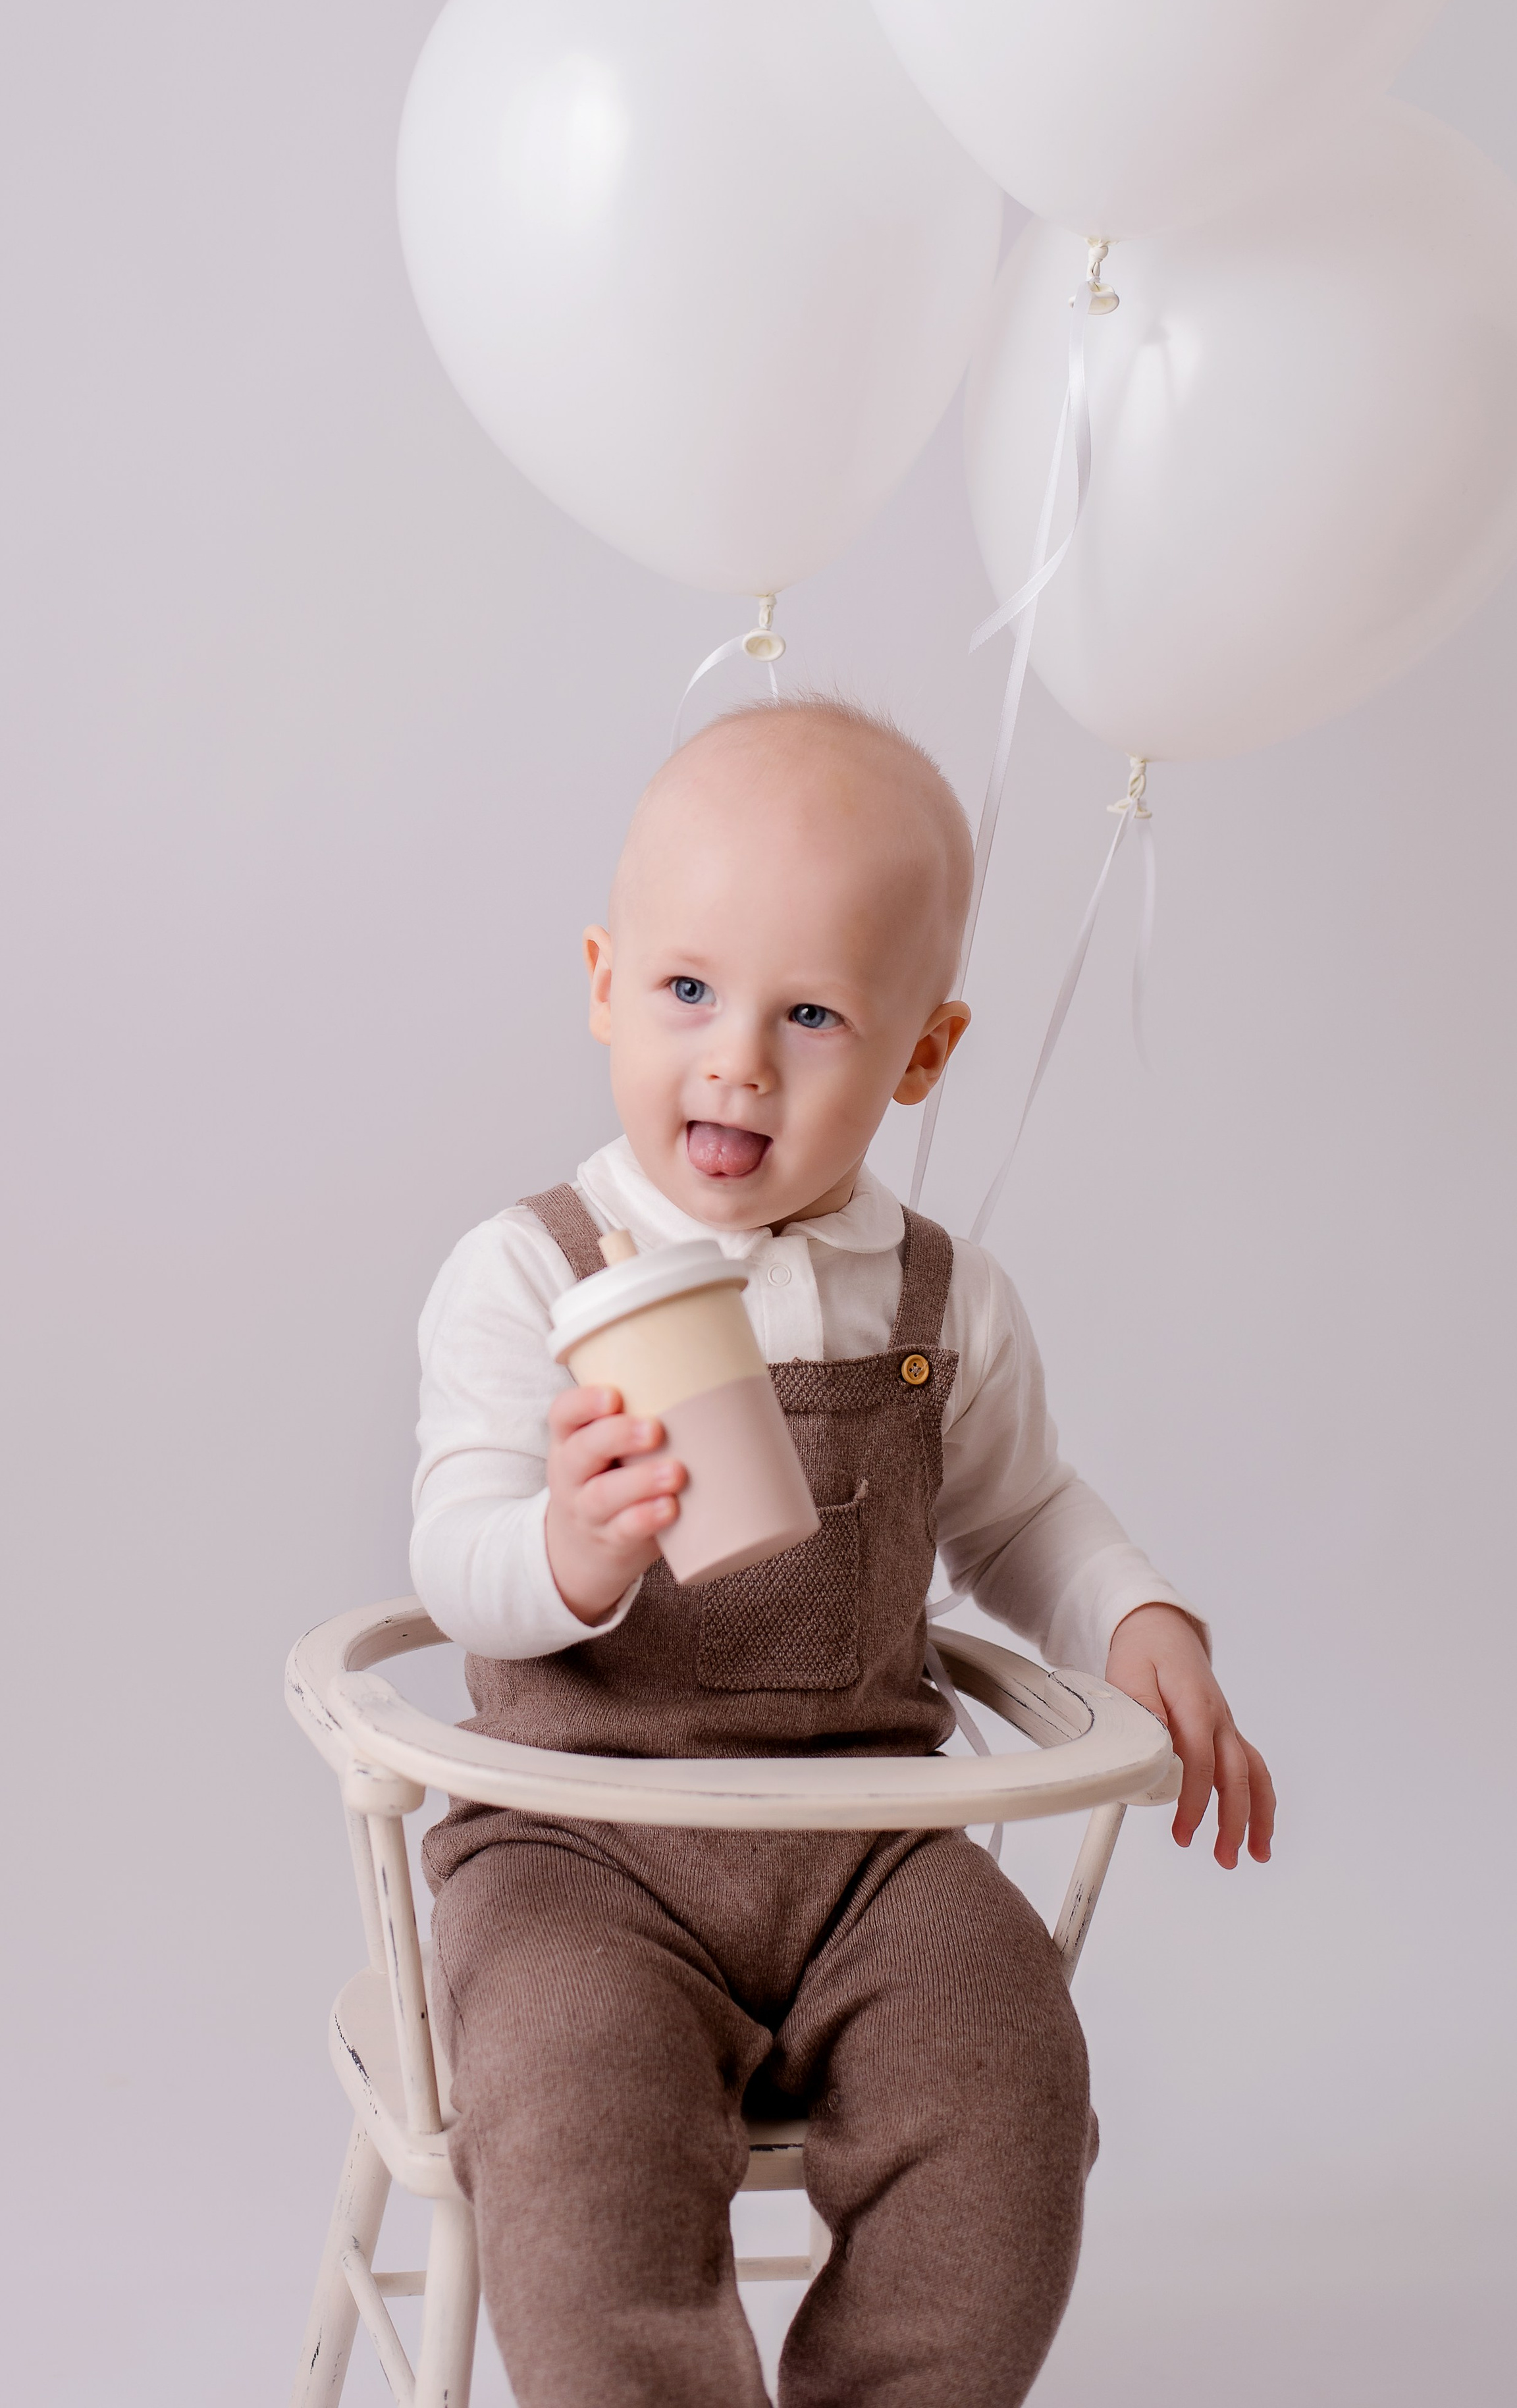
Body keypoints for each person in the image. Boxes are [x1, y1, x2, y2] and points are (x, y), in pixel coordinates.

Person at [411, 696, 1273, 2408]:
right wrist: (573, 1544)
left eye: (811, 1013)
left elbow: (1024, 1508)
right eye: (687, 991)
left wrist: (1139, 1611)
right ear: (602, 981)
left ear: (922, 1055)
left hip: (864, 1840)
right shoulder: (532, 1273)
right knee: (574, 2117)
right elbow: (453, 1554)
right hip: (585, 1844)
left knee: (1013, 2074)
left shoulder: (934, 1298)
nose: (736, 1057)